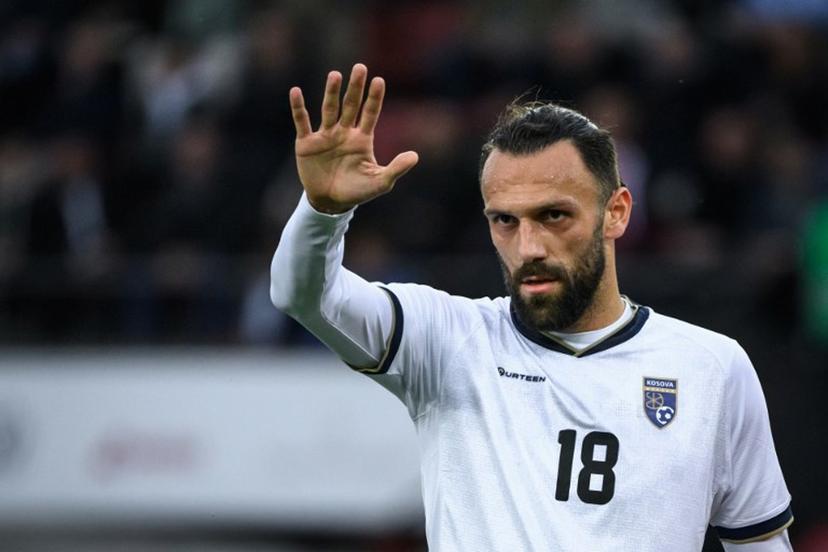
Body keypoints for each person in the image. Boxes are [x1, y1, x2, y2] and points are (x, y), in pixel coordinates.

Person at [270, 64, 794, 551]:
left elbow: (762, 544)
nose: (529, 248)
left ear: (616, 213)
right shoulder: (447, 340)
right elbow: (306, 296)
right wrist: (323, 212)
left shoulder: (712, 368)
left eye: (553, 216)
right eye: (506, 221)